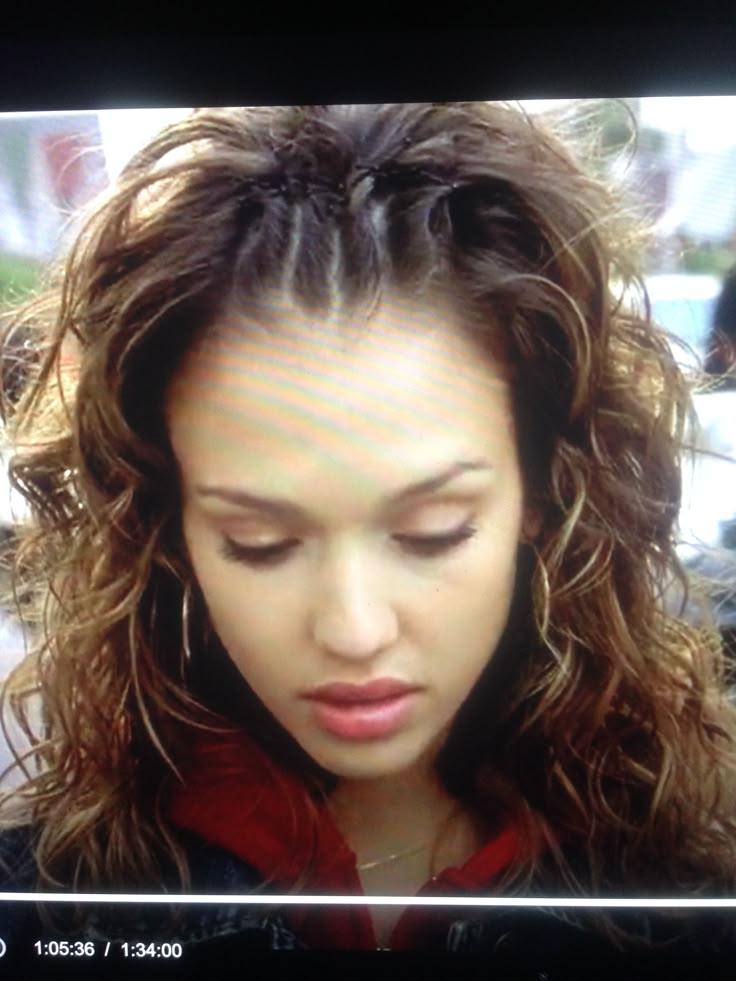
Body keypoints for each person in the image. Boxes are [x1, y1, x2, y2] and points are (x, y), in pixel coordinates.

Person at [1, 102, 736, 964]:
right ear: (169, 529)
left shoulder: (688, 881)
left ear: (543, 492)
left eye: (433, 531)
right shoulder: (52, 902)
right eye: (259, 542)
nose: (354, 631)